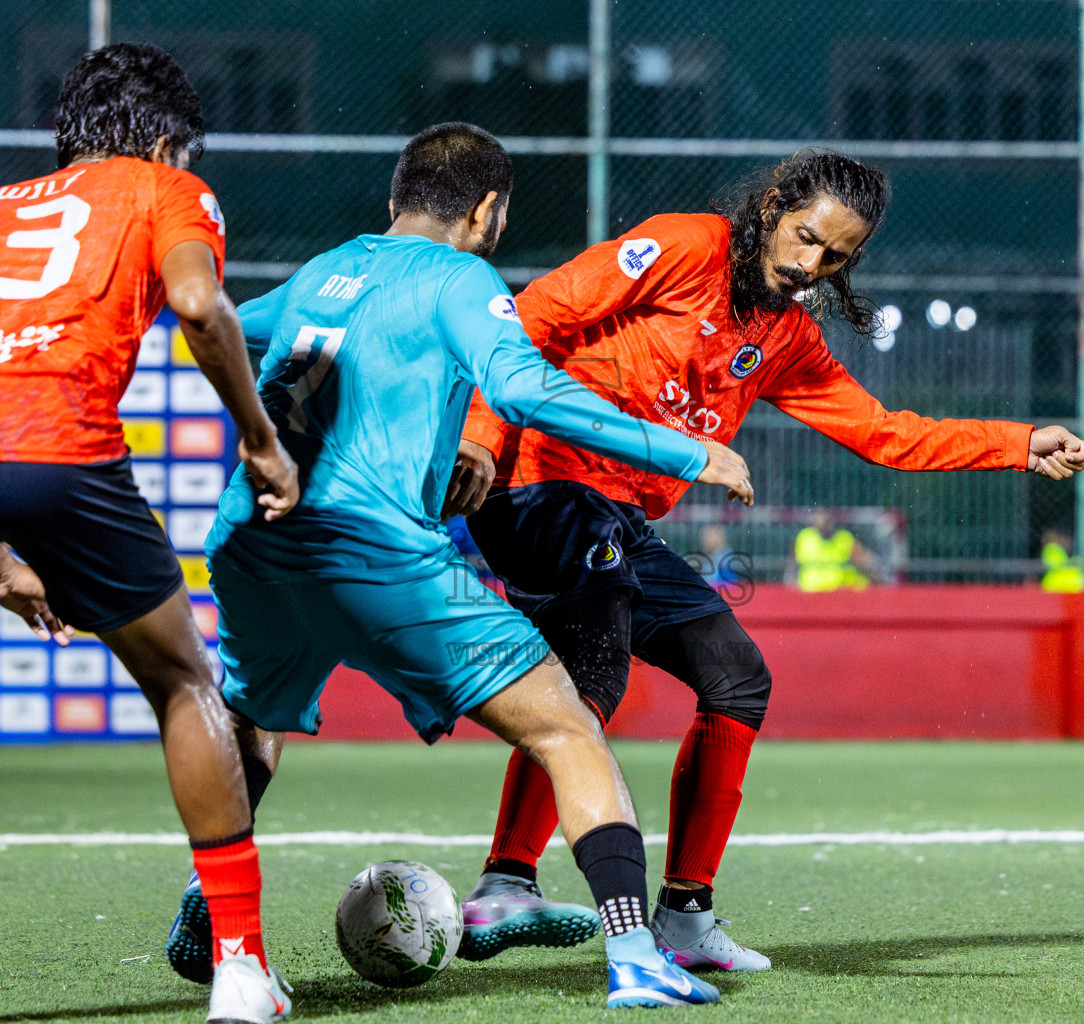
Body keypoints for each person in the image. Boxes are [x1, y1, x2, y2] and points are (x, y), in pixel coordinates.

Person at [447, 149, 1084, 973]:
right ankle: (507, 882)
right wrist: (478, 438)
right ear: (772, 208)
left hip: (619, 515)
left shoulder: (787, 337)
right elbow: (529, 319)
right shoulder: (684, 246)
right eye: (805, 237)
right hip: (538, 479)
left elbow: (883, 433)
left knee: (737, 677)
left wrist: (1017, 443)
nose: (810, 265)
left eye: (836, 256)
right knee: (594, 666)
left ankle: (685, 916)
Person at [162, 122, 755, 1009]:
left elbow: (221, 325)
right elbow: (523, 388)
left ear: (394, 197)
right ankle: (637, 954)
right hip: (374, 550)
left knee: (253, 721)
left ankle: (210, 907)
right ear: (487, 211)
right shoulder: (459, 278)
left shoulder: (325, 270)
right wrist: (682, 451)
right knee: (567, 729)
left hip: (251, 541)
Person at [0, 45, 300, 1024]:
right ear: (166, 139)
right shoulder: (168, 187)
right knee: (183, 680)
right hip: (56, 442)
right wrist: (261, 441)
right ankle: (241, 968)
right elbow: (198, 304)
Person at [793, 507, 872, 592]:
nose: (821, 519)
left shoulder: (844, 538)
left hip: (840, 592)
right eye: (817, 515)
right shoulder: (804, 538)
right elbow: (792, 568)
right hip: (810, 593)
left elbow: (865, 565)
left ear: (831, 517)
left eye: (824, 514)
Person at [1040, 528, 1084, 593]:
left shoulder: (1067, 551)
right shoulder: (1051, 549)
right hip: (1057, 586)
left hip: (1069, 587)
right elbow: (1056, 563)